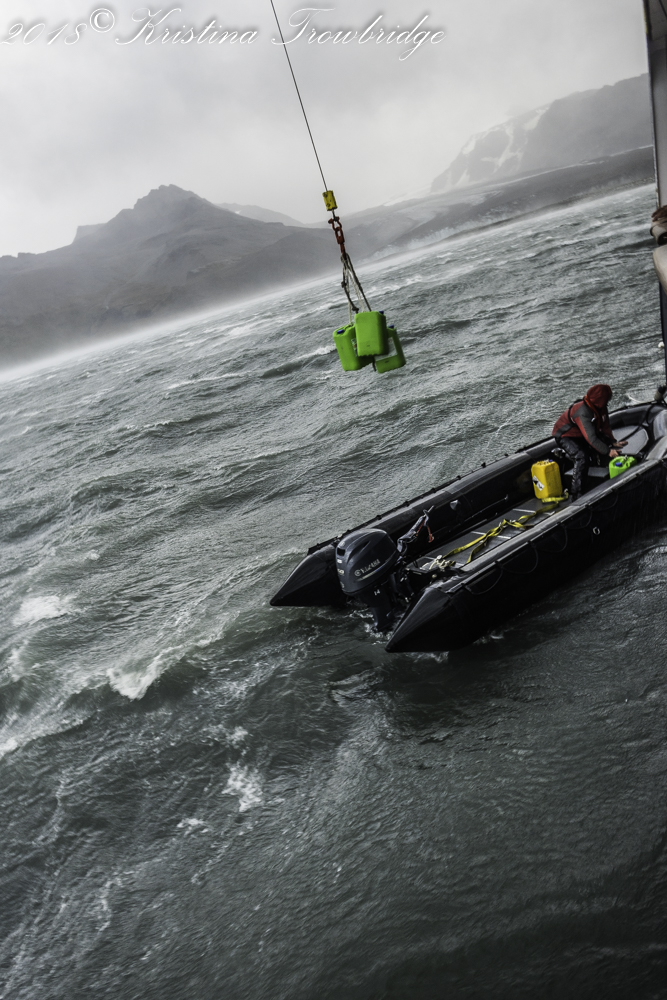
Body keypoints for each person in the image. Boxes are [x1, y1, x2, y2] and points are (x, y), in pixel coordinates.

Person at [552, 384, 627, 499]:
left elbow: (605, 426)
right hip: (565, 435)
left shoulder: (601, 407)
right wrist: (608, 451)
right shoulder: (582, 412)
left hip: (580, 433)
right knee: (581, 456)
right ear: (599, 400)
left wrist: (612, 442)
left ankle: (598, 479)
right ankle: (577, 493)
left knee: (598, 445)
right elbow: (591, 438)